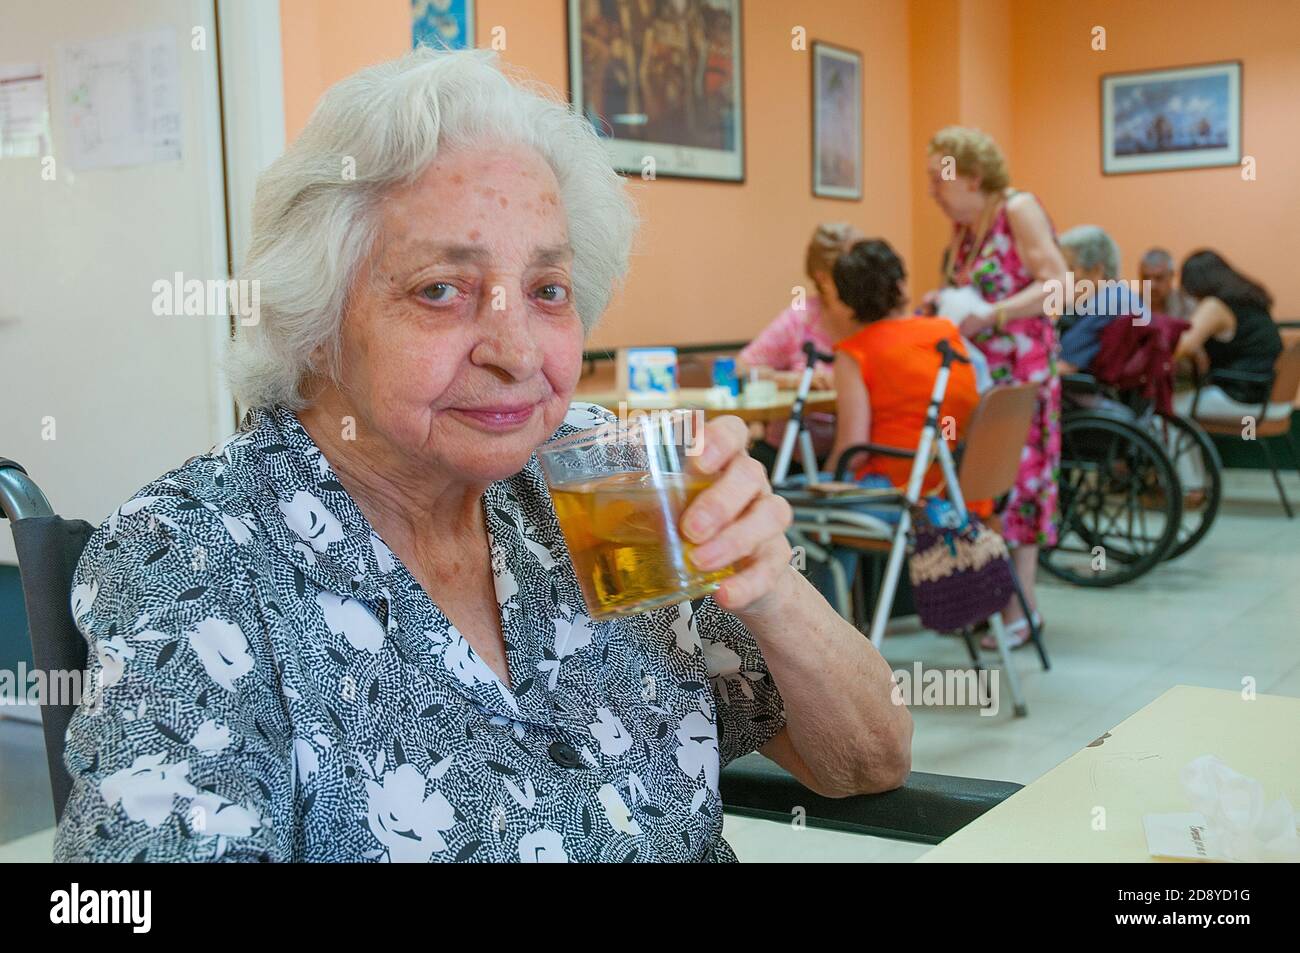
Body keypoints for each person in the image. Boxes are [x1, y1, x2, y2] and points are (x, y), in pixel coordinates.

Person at [52, 49, 911, 864]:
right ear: (313, 323)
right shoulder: (192, 554)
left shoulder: (597, 477)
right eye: (440, 290)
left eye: (548, 291)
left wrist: (771, 588)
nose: (517, 350)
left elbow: (866, 761)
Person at [925, 126, 1068, 649]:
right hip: (984, 373)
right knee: (989, 482)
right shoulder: (966, 229)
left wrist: (995, 314)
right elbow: (971, 288)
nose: (932, 192)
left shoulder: (1018, 208)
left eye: (940, 178)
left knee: (1021, 482)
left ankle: (1022, 609)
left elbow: (1059, 283)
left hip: (1023, 373)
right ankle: (1004, 605)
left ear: (973, 174)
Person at [829, 239, 980, 493]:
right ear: (900, 284)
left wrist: (822, 479)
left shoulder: (854, 353)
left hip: (901, 490)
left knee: (793, 495)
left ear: (847, 301)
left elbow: (853, 453)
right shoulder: (946, 331)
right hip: (960, 487)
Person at [738, 222, 862, 470]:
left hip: (852, 454)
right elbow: (741, 369)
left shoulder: (869, 315)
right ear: (823, 278)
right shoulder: (799, 319)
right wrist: (796, 380)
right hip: (789, 456)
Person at [1173, 250, 1283, 415]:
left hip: (1238, 396)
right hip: (1263, 392)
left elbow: (1181, 346)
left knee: (1162, 407)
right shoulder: (1249, 299)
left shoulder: (1215, 305)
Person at [1057, 225, 1142, 375]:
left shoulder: (1107, 304)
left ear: (1096, 271)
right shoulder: (1120, 296)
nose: (1062, 277)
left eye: (1069, 268)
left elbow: (1065, 366)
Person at [1140, 247, 1196, 321]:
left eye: (1158, 278)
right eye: (1145, 278)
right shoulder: (1131, 305)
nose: (1152, 285)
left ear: (1171, 276)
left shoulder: (1186, 305)